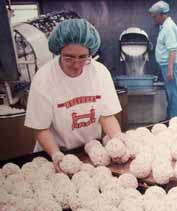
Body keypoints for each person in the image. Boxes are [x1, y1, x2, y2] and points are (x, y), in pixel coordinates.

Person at [25, 19, 122, 171]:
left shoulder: (100, 72)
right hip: (53, 154)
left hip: (90, 152)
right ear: (59, 52)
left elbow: (106, 116)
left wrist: (118, 139)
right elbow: (40, 127)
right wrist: (56, 155)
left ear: (91, 52)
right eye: (68, 58)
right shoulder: (44, 78)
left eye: (83, 57)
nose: (76, 65)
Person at [149, 1, 177, 118]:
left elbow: (173, 50)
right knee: (170, 94)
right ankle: (171, 119)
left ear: (162, 15)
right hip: (167, 64)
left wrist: (170, 69)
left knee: (173, 94)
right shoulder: (164, 26)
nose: (154, 19)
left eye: (155, 17)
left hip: (171, 65)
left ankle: (174, 121)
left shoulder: (168, 28)